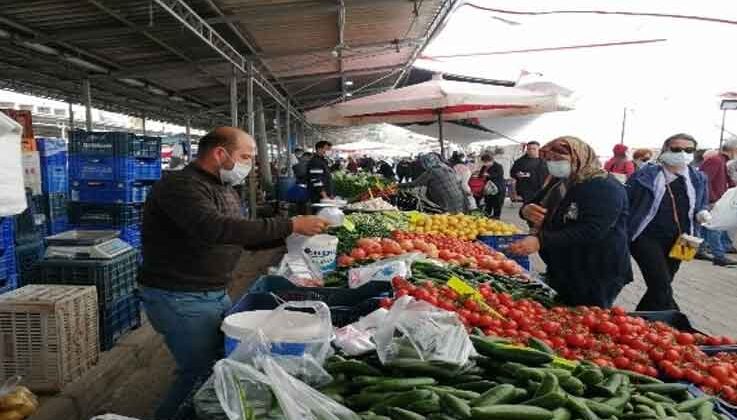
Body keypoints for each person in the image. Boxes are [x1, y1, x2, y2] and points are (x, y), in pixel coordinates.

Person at [138, 127, 329, 419]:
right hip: (180, 296)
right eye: (246, 156)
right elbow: (214, 228)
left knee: (217, 363)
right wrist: (289, 225)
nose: (250, 164)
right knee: (199, 372)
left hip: (210, 292)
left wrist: (291, 237)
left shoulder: (222, 188)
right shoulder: (180, 186)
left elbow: (239, 235)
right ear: (219, 153)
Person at [508, 136, 632, 308]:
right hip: (566, 265)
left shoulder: (604, 187)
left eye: (559, 159)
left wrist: (541, 240)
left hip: (595, 269)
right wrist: (525, 210)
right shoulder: (560, 181)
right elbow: (534, 203)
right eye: (549, 160)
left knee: (585, 315)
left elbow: (592, 230)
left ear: (579, 157)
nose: (553, 164)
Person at [626, 133, 709, 310]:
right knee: (660, 283)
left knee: (662, 285)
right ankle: (678, 321)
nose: (682, 153)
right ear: (665, 150)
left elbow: (702, 202)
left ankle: (642, 320)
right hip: (647, 236)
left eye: (688, 150)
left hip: (685, 239)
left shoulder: (698, 177)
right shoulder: (646, 175)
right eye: (676, 149)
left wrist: (702, 212)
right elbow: (627, 201)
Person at [700, 139, 737, 266]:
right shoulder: (716, 160)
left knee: (707, 226)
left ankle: (700, 250)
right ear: (733, 150)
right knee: (716, 227)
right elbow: (705, 180)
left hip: (716, 199)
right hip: (712, 200)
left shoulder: (722, 161)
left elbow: (728, 182)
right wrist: (712, 198)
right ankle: (719, 256)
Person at [400, 152, 468, 213]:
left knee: (450, 220)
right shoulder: (447, 168)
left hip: (447, 202)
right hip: (460, 200)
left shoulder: (432, 171)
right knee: (458, 220)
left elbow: (414, 184)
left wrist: (398, 185)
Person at [478, 153, 505, 218]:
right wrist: (480, 174)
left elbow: (499, 175)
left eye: (486, 162)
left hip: (497, 186)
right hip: (487, 188)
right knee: (488, 202)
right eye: (484, 162)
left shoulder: (498, 166)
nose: (485, 163)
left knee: (497, 203)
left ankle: (496, 216)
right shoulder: (484, 167)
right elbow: (480, 174)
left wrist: (489, 175)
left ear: (491, 160)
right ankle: (487, 215)